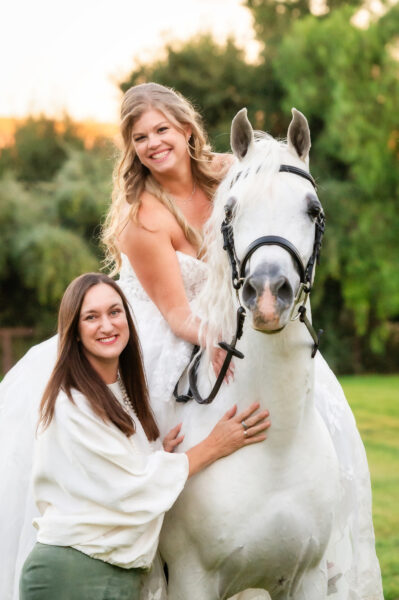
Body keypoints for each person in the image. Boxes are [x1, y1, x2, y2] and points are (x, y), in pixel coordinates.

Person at [0, 82, 382, 599]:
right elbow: (178, 312)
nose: (154, 143)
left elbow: (277, 199)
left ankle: (322, 542)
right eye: (139, 137)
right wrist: (220, 342)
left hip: (243, 311)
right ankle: (159, 550)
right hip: (170, 326)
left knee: (323, 408)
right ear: (130, 147)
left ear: (186, 129)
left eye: (162, 130)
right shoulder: (143, 217)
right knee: (151, 425)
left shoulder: (229, 172)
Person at [19, 272, 270, 600]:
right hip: (73, 573)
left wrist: (156, 455)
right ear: (75, 332)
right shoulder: (72, 402)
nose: (107, 325)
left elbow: (108, 473)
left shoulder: (116, 393)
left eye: (114, 312)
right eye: (91, 317)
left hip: (113, 573)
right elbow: (130, 490)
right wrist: (213, 446)